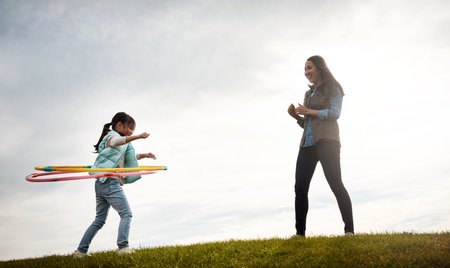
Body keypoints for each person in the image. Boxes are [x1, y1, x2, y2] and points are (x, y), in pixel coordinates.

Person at [73, 112, 157, 257]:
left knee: (99, 220)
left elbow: (126, 158)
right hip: (110, 182)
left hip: (101, 183)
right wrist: (137, 137)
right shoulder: (112, 137)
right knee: (126, 213)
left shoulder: (121, 143)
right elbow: (116, 142)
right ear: (119, 125)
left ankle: (80, 251)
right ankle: (123, 247)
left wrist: (145, 155)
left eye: (134, 131)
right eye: (130, 128)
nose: (132, 132)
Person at [287, 55, 354, 237]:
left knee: (336, 184)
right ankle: (300, 234)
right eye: (305, 69)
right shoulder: (309, 94)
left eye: (309, 68)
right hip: (307, 144)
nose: (306, 72)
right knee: (300, 187)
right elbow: (308, 124)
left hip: (327, 141)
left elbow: (335, 113)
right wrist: (297, 117)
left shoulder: (334, 88)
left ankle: (349, 231)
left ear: (319, 68)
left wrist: (308, 111)